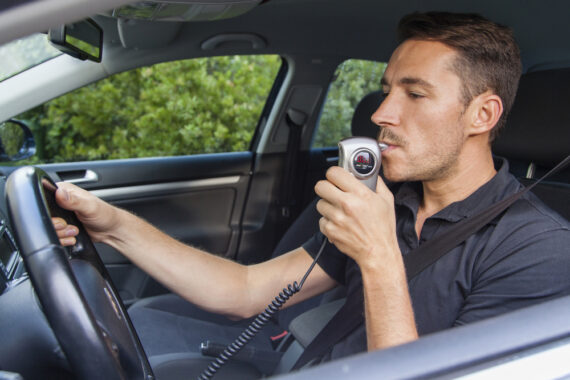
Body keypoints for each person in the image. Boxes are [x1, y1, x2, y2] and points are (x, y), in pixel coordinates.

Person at [53, 11, 570, 368]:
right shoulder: (388, 204)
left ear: (482, 114)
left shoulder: (538, 249)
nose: (382, 114)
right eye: (388, 89)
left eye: (414, 93)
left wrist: (378, 257)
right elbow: (246, 292)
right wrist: (116, 227)